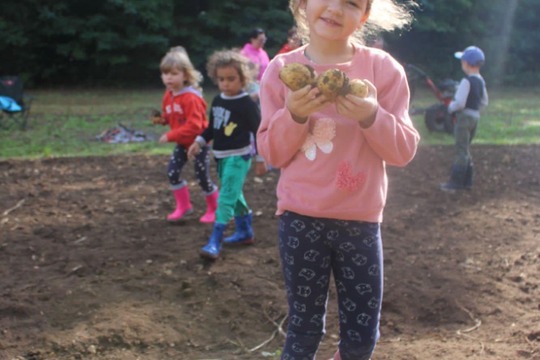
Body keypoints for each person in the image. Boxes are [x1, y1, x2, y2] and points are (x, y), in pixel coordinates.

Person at [257, 0, 419, 359]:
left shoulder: (382, 69)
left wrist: (372, 116)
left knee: (361, 338)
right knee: (303, 330)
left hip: (360, 223)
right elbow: (271, 153)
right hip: (300, 220)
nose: (335, 8)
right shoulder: (281, 70)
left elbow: (403, 151)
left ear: (364, 15)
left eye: (351, 2)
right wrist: (294, 115)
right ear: (302, 3)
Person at [188, 49, 265, 260]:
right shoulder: (218, 100)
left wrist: (261, 158)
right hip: (220, 156)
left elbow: (258, 131)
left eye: (231, 79)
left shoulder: (247, 104)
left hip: (239, 157)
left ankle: (215, 239)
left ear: (243, 78)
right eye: (221, 79)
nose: (226, 84)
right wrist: (199, 141)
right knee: (234, 193)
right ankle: (245, 232)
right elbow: (212, 127)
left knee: (226, 197)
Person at [153, 46, 219, 223]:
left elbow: (195, 125)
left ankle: (215, 208)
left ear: (185, 75)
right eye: (165, 74)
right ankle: (184, 206)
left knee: (202, 176)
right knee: (172, 173)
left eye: (174, 74)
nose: (169, 78)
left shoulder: (191, 98)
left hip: (199, 143)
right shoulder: (169, 95)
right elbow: (170, 114)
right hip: (183, 143)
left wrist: (170, 135)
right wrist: (162, 120)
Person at [440, 45, 488, 192]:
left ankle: (456, 183)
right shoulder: (480, 81)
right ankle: (467, 181)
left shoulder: (466, 81)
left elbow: (459, 103)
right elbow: (485, 102)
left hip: (464, 118)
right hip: (475, 117)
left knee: (461, 149)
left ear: (467, 63)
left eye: (462, 61)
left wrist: (450, 108)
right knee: (466, 148)